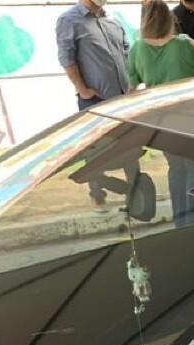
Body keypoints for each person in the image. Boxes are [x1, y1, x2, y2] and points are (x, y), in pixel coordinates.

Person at [128, 0, 194, 228]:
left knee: (176, 168)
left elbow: (132, 85)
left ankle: (181, 222)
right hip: (193, 120)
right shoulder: (184, 44)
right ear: (170, 19)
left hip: (162, 122)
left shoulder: (137, 48)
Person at [56, 0, 135, 207]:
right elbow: (66, 58)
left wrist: (131, 84)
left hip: (122, 98)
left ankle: (135, 192)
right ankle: (98, 195)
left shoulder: (113, 21)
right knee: (95, 151)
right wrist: (82, 89)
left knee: (130, 146)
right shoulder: (69, 20)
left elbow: (127, 53)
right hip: (95, 100)